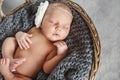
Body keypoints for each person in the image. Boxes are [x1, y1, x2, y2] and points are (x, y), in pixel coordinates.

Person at [0, 1, 73, 80]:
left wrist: (60, 55)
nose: (59, 28)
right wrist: (19, 35)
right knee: (10, 40)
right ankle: (8, 59)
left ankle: (7, 75)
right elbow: (17, 40)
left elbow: (46, 69)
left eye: (65, 27)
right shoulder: (35, 30)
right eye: (53, 22)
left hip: (23, 76)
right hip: (11, 60)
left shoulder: (54, 46)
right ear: (41, 21)